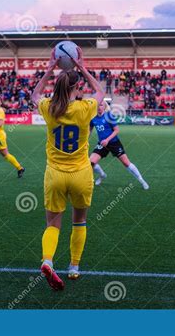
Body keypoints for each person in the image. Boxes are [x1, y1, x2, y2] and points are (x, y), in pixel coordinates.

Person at [30, 46, 104, 290]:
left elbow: (34, 95)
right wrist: (82, 66)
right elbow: (100, 91)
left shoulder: (50, 108)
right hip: (81, 174)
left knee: (52, 224)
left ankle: (48, 261)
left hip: (54, 175)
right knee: (79, 222)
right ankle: (74, 267)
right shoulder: (84, 109)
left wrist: (50, 67)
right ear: (77, 88)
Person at [90, 102, 149, 189]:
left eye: (101, 105)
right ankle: (102, 175)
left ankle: (142, 180)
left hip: (114, 143)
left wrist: (107, 140)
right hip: (102, 144)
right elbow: (89, 130)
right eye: (97, 105)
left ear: (105, 107)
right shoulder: (93, 118)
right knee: (90, 163)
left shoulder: (109, 116)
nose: (99, 107)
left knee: (126, 163)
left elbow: (116, 130)